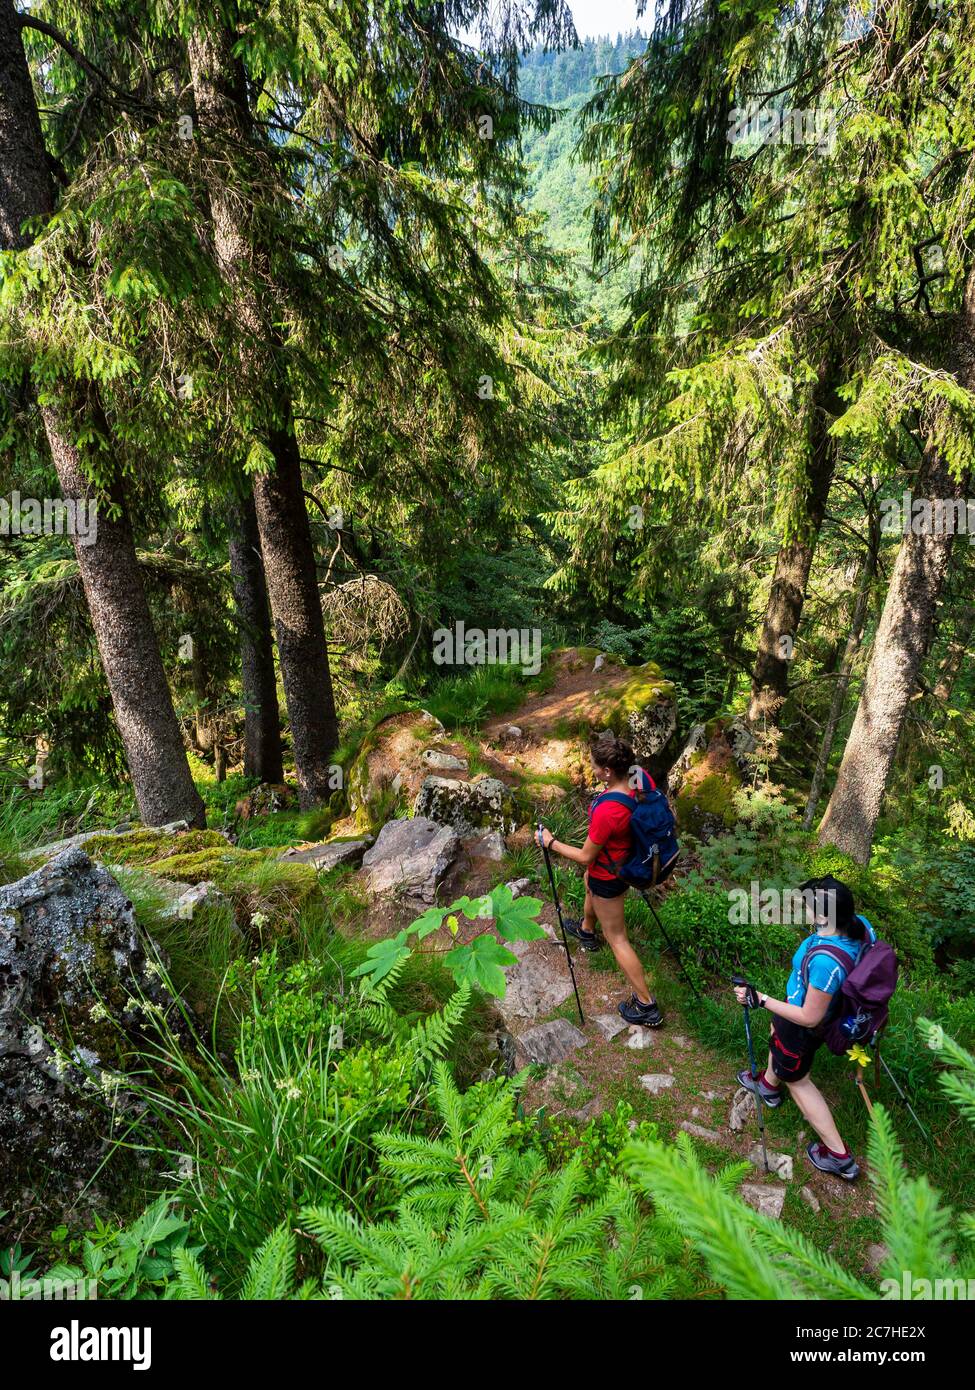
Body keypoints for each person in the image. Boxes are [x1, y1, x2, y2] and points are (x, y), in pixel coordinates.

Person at [732, 874, 874, 1180]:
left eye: (807, 904)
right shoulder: (856, 925)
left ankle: (839, 1156)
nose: (802, 908)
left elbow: (809, 1016)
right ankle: (768, 1085)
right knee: (777, 1038)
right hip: (803, 1014)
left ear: (824, 914)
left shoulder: (826, 963)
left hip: (804, 1025)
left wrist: (761, 999)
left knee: (798, 1080)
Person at [536, 730, 663, 1027]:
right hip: (619, 862)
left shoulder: (610, 810)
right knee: (586, 883)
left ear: (607, 772)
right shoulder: (637, 781)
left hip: (610, 875)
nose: (591, 770)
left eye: (594, 766)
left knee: (617, 938)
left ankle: (647, 1005)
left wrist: (550, 843)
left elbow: (585, 856)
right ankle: (586, 930)